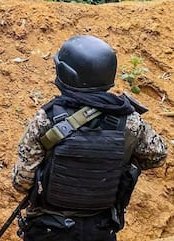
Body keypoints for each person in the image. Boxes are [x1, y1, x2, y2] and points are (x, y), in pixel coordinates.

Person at [11, 35, 168, 241]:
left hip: (50, 230)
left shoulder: (46, 119)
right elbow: (157, 156)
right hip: (100, 229)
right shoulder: (129, 120)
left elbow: (22, 182)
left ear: (67, 74)